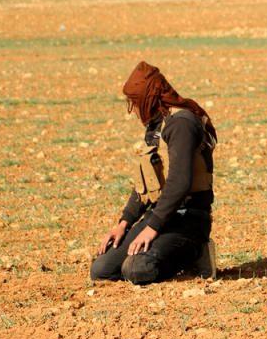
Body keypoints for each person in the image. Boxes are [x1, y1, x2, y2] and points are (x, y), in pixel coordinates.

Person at [90, 61, 217, 284]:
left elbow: (179, 183)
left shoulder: (181, 124)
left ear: (148, 97)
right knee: (102, 269)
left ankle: (196, 253)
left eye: (135, 102)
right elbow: (148, 183)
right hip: (161, 215)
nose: (134, 109)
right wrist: (124, 223)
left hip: (188, 219)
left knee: (137, 269)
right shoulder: (158, 126)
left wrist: (151, 228)